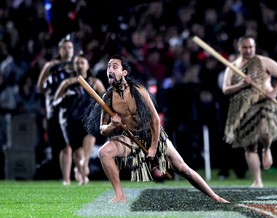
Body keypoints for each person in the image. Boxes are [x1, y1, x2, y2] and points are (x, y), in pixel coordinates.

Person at [87, 54, 229, 203]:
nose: (110, 69)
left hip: (152, 134)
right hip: (129, 137)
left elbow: (155, 120)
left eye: (114, 66)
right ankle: (119, 195)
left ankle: (215, 197)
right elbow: (102, 129)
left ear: (124, 73)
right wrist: (112, 125)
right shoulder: (108, 98)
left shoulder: (138, 90)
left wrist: (154, 147)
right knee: (104, 152)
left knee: (182, 169)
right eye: (108, 66)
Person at [222, 36, 277, 188]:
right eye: (245, 47)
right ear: (239, 48)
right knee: (250, 146)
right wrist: (241, 85)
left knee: (265, 130)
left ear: (255, 47)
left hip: (264, 103)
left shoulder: (263, 61)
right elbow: (225, 89)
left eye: (251, 47)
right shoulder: (232, 66)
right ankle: (257, 181)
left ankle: (266, 148)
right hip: (243, 108)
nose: (248, 50)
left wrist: (274, 92)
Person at [54, 54, 106, 185]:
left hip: (88, 117)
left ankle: (85, 163)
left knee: (90, 136)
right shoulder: (67, 83)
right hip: (70, 120)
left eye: (82, 63)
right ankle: (82, 173)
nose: (79, 65)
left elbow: (105, 99)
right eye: (77, 63)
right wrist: (64, 96)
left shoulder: (94, 82)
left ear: (87, 66)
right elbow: (55, 101)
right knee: (77, 151)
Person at [36, 35, 75, 185]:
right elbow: (40, 87)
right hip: (54, 110)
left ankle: (70, 176)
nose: (67, 50)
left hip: (71, 111)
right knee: (58, 145)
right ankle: (63, 176)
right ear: (60, 50)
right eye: (64, 48)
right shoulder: (51, 66)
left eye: (70, 47)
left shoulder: (75, 66)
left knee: (70, 145)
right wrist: (50, 93)